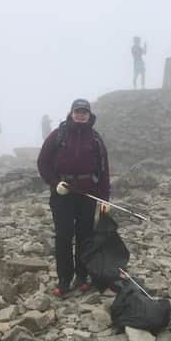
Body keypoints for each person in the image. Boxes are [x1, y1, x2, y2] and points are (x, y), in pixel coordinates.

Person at [37, 98, 110, 297]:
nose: (80, 115)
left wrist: (105, 200)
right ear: (71, 113)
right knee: (63, 237)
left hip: (88, 195)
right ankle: (64, 280)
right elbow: (43, 162)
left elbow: (103, 171)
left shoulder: (95, 139)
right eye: (77, 111)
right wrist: (54, 183)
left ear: (89, 115)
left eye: (84, 112)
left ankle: (82, 276)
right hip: (62, 194)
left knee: (85, 237)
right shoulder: (57, 135)